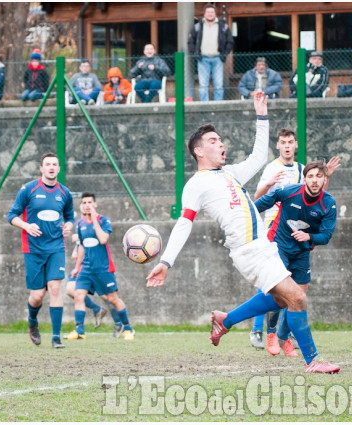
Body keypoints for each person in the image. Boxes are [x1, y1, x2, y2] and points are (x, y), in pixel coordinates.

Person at [146, 91, 340, 374]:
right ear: (199, 151)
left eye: (221, 140)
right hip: (248, 250)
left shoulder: (229, 173)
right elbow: (184, 223)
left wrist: (262, 116)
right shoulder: (196, 184)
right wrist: (165, 262)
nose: (221, 144)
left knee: (279, 298)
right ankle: (313, 361)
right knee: (297, 297)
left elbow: (259, 156)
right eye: (213, 141)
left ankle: (226, 320)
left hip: (263, 245)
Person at [248, 128, 340, 350]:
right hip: (274, 226)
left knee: (296, 289)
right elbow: (257, 199)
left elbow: (314, 198)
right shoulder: (272, 167)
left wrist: (326, 176)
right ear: (278, 145)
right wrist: (269, 184)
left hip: (299, 231)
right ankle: (260, 330)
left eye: (290, 142)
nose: (287, 145)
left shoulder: (302, 169)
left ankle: (284, 334)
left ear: (296, 145)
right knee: (274, 284)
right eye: (283, 142)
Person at [7, 153, 75, 349]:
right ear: (41, 168)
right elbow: (11, 215)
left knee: (55, 288)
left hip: (56, 247)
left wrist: (69, 226)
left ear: (59, 168)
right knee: (37, 295)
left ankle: (56, 337)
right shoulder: (28, 189)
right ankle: (33, 320)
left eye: (55, 164)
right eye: (48, 164)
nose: (51, 167)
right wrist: (26, 226)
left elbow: (69, 217)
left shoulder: (65, 192)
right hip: (33, 248)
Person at [65, 193, 135, 340]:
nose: (87, 205)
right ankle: (80, 331)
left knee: (112, 298)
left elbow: (103, 239)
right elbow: (82, 246)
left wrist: (95, 220)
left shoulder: (103, 220)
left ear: (95, 204)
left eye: (90, 202)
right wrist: (78, 267)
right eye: (84, 202)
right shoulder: (80, 224)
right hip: (86, 268)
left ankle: (127, 328)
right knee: (78, 295)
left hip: (103, 268)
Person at [188, 3, 234, 101]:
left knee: (218, 84)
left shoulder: (223, 26)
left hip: (218, 58)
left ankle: (218, 106)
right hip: (202, 59)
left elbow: (230, 41)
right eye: (208, 12)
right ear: (204, 14)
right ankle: (204, 106)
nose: (210, 14)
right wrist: (195, 53)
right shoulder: (198, 26)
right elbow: (190, 41)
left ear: (215, 14)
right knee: (203, 85)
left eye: (212, 12)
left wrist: (224, 54)